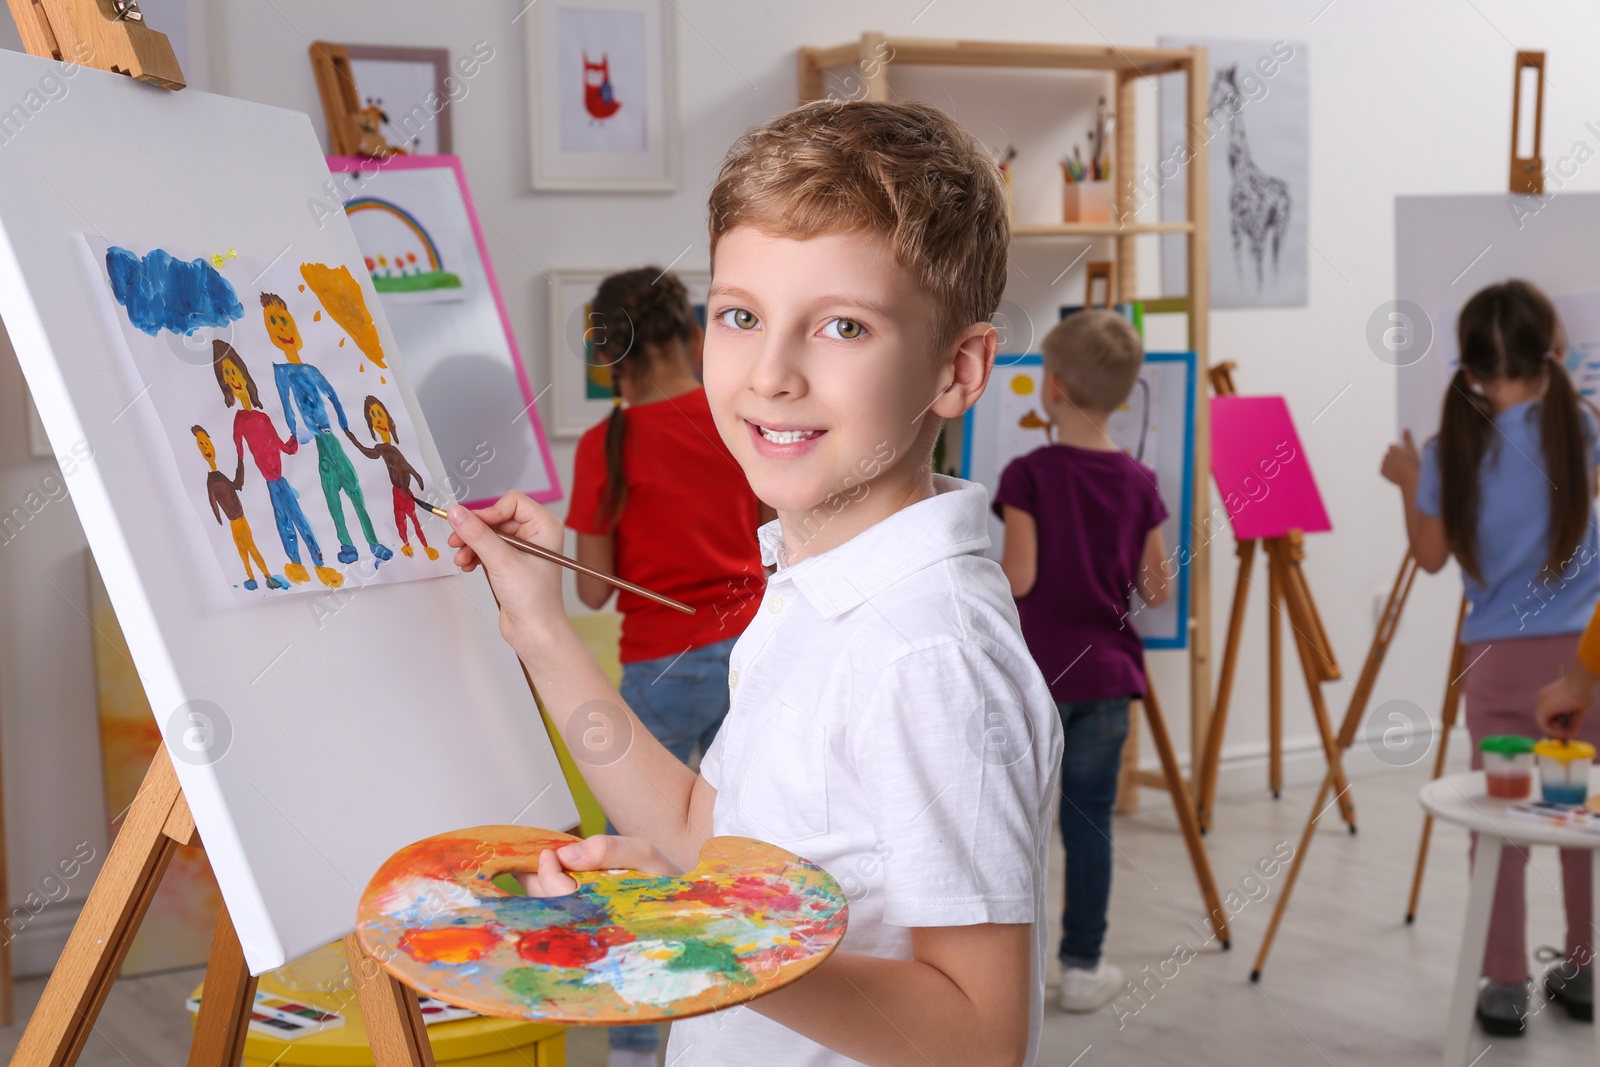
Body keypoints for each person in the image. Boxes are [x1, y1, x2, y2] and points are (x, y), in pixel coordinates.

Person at [445, 99, 1063, 1066]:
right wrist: (538, 624)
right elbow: (704, 831)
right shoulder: (812, 584)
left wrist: (697, 940)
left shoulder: (929, 652)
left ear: (958, 368)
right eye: (739, 316)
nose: (769, 373)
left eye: (844, 327)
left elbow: (977, 1037)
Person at [1381, 279, 1600, 1036]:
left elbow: (1432, 556)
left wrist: (1411, 484)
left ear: (1468, 371)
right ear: (1556, 355)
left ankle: (1504, 982)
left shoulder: (1450, 450)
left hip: (1496, 663)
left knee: (1502, 822)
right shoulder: (1581, 430)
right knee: (1582, 815)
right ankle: (1584, 967)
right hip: (1586, 661)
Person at [564, 267, 767, 1066]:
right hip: (753, 655)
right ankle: (755, 1001)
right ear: (691, 336)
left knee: (633, 852)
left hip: (659, 667)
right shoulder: (735, 420)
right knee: (750, 837)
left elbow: (589, 585)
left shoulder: (603, 444)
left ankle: (637, 1041)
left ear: (609, 354)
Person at [993, 309, 1169, 1013]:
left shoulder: (1028, 472)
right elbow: (1157, 588)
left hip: (1038, 675)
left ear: (1054, 387)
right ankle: (1083, 966)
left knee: (1019, 824)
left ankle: (1015, 971)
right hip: (1109, 676)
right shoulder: (1139, 481)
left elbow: (1022, 576)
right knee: (1089, 822)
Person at [261, 291, 392, 567]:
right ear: (269, 333)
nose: (281, 328)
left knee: (355, 492)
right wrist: (296, 432)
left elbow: (331, 394)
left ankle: (373, 542)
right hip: (319, 444)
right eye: (273, 323)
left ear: (295, 325)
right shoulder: (281, 372)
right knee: (333, 500)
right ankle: (347, 545)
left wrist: (343, 423)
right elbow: (285, 405)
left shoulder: (310, 369)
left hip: (333, 441)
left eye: (284, 320)